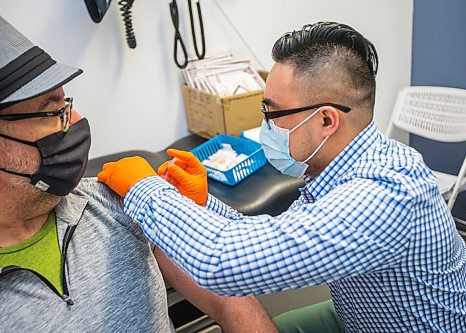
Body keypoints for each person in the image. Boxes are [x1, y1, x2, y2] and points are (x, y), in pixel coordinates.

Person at [98, 21, 466, 332]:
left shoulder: (382, 194)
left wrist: (142, 187)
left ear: (326, 119)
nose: (265, 125)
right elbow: (278, 238)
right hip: (363, 316)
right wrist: (204, 201)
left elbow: (223, 263)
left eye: (272, 113)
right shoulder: (344, 166)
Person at [0, 15, 278, 333]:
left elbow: (230, 300)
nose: (77, 120)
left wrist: (187, 207)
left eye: (68, 103)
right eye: (54, 111)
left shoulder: (116, 200)